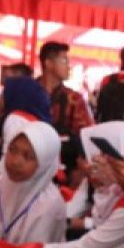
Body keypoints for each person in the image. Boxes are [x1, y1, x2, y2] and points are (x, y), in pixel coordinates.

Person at [0, 76, 52, 184]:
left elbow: (6, 167)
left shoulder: (15, 119)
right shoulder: (36, 120)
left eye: (4, 93)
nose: (0, 97)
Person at [38, 41, 93, 172]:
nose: (69, 67)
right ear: (48, 63)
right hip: (30, 160)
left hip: (64, 165)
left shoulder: (73, 98)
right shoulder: (29, 92)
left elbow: (85, 134)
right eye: (64, 61)